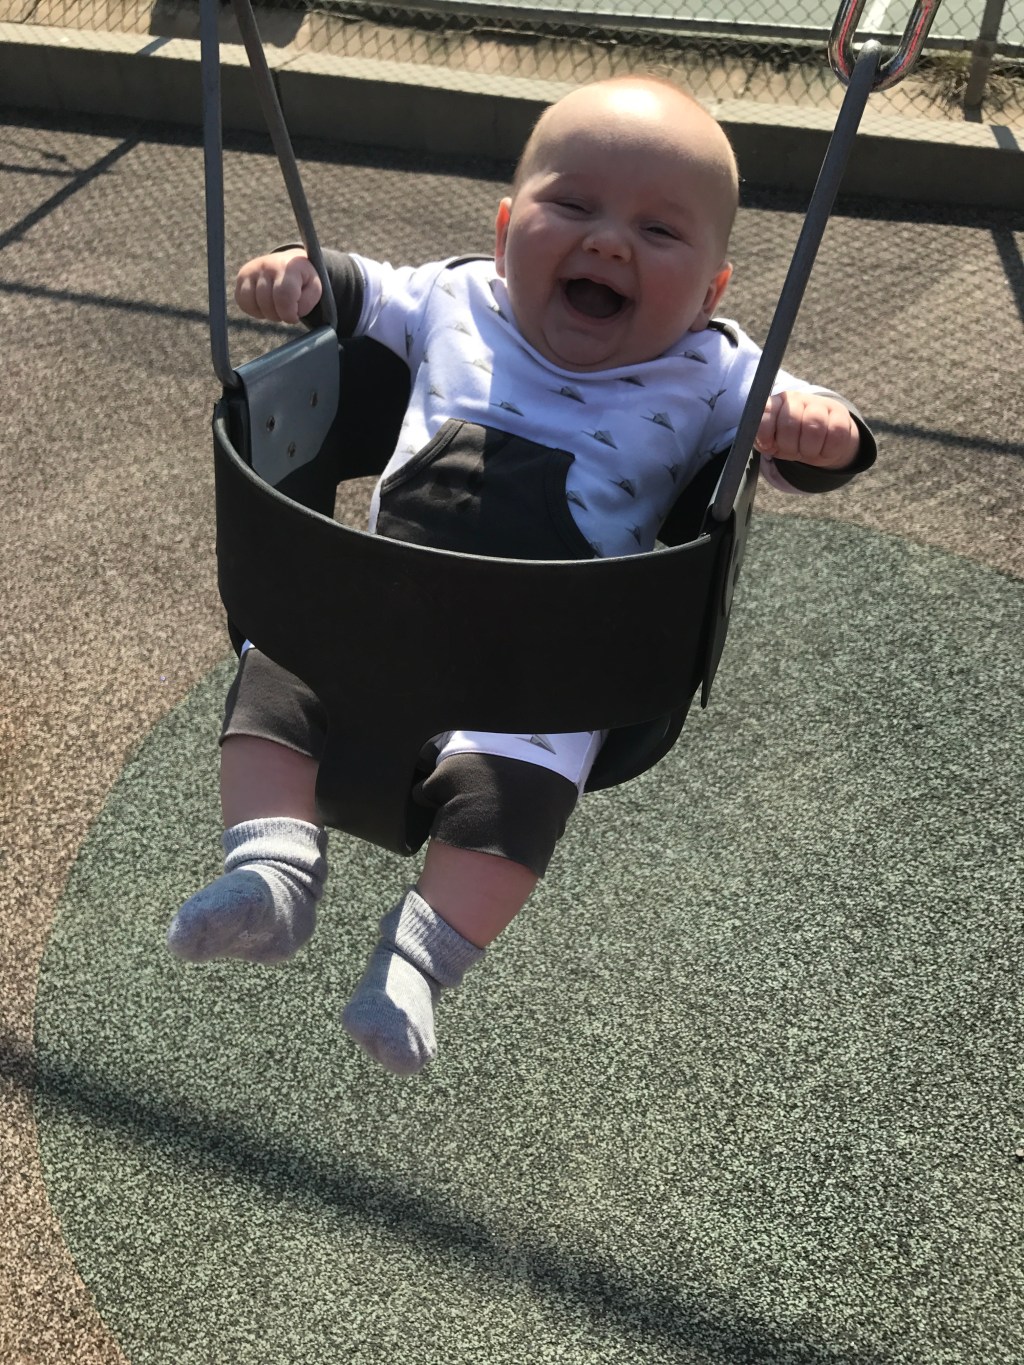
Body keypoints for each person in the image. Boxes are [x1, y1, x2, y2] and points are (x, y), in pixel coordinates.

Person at [168, 75, 875, 1075]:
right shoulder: (458, 294)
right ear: (506, 230)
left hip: (541, 661)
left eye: (659, 232)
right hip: (372, 607)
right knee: (274, 674)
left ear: (713, 292)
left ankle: (419, 961)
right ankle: (271, 873)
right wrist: (299, 275)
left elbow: (804, 429)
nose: (609, 243)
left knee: (515, 803)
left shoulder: (715, 369)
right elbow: (357, 287)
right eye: (571, 206)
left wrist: (818, 432)